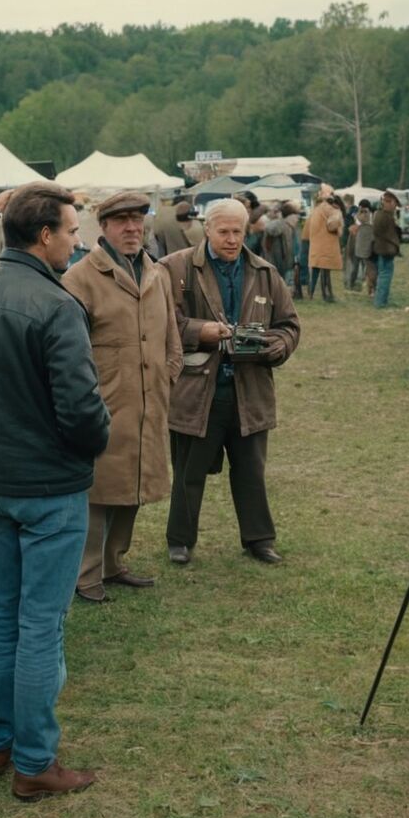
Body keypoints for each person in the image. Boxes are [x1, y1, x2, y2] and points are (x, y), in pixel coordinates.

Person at [0, 181, 110, 801]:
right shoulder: (57, 306)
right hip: (47, 488)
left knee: (6, 616)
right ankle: (33, 761)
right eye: (71, 230)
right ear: (43, 236)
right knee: (38, 625)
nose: (77, 240)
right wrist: (86, 446)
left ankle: (2, 742)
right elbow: (82, 408)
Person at [160, 198, 300, 566]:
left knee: (251, 470)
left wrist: (279, 345)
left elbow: (289, 325)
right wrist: (199, 330)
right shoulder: (175, 268)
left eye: (238, 231)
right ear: (206, 229)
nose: (232, 239)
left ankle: (259, 539)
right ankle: (180, 540)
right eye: (224, 231)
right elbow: (160, 322)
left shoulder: (265, 273)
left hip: (249, 389)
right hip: (197, 389)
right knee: (189, 473)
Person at [62, 191, 183, 603]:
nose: (133, 228)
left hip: (149, 401)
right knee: (99, 490)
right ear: (105, 227)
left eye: (138, 220)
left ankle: (114, 563)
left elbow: (171, 335)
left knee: (134, 486)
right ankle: (86, 574)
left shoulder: (156, 272)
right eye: (122, 222)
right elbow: (67, 352)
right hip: (105, 405)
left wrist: (169, 372)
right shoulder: (79, 279)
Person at [308, 188, 343, 303]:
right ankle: (326, 295)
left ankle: (311, 294)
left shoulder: (316, 209)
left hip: (316, 244)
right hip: (326, 245)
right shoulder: (331, 210)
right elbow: (331, 226)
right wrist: (339, 224)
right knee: (325, 272)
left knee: (315, 271)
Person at [371, 191, 401, 308]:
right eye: (394, 203)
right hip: (386, 250)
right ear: (388, 203)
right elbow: (390, 235)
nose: (395, 206)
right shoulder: (385, 216)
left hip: (382, 249)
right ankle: (380, 302)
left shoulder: (379, 214)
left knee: (383, 276)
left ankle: (381, 300)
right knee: (385, 277)